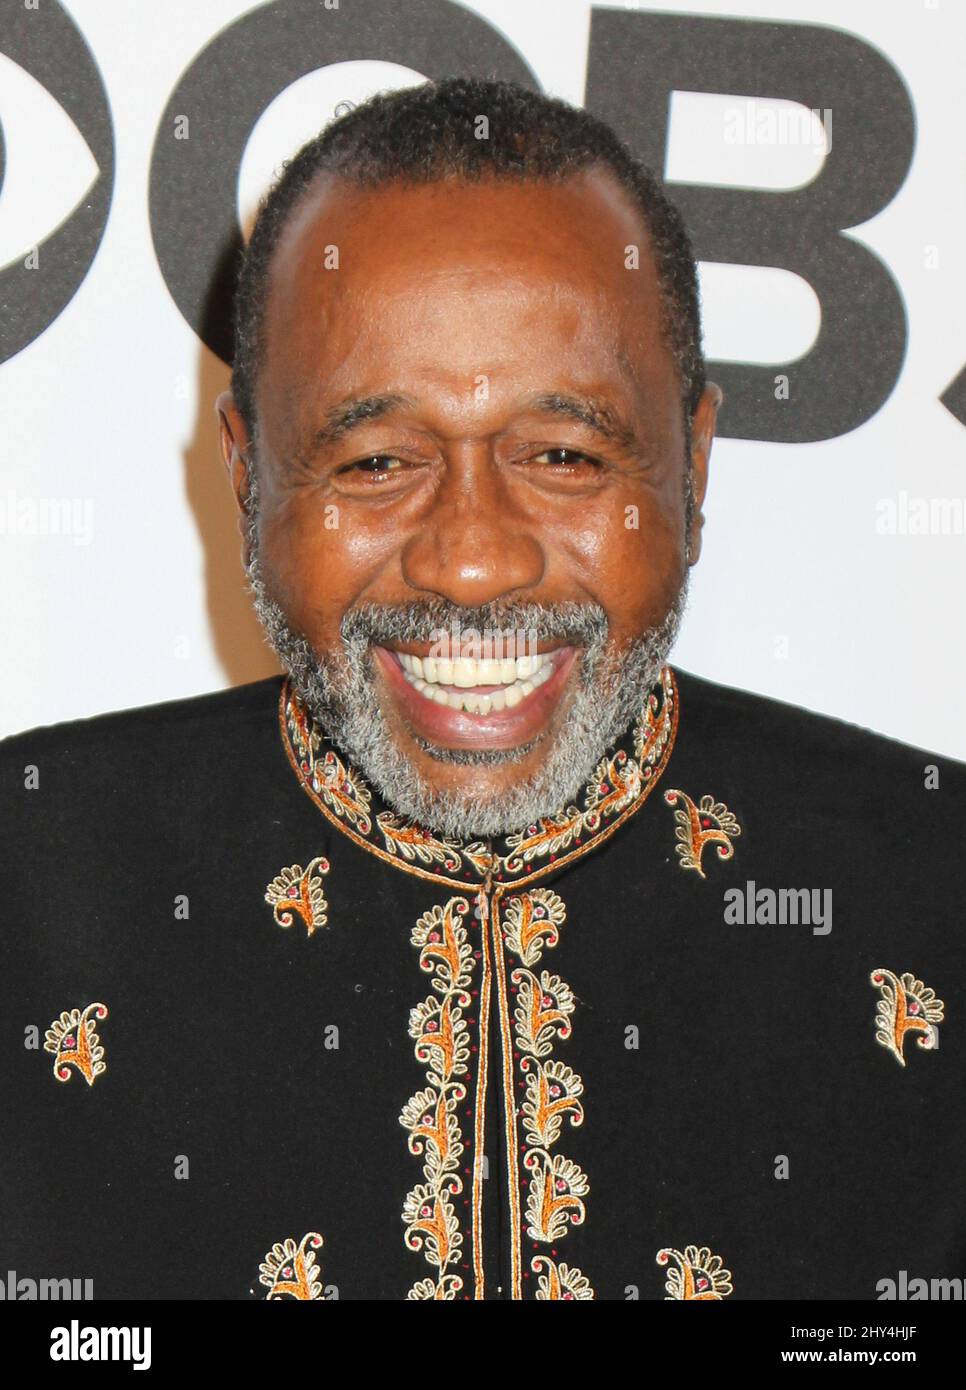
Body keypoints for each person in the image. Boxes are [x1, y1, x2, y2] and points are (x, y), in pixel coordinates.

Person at [1, 77, 963, 1302]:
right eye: (377, 460)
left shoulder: (935, 886)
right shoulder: (26, 883)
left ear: (696, 464)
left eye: (563, 456)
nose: (470, 558)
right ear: (246, 472)